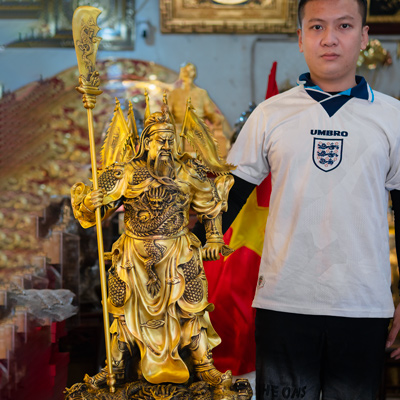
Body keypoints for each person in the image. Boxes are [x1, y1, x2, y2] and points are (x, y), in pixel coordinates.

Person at [208, 0, 400, 398]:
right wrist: (175, 247)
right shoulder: (270, 114)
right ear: (300, 38)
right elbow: (226, 201)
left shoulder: (392, 117)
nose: (329, 39)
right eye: (316, 27)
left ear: (364, 36)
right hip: (283, 304)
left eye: (344, 26)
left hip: (362, 306)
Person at [70, 105, 234, 389]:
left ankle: (204, 365)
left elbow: (210, 205)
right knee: (122, 309)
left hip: (179, 250)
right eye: (161, 140)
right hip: (134, 254)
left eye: (171, 140)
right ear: (147, 142)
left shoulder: (187, 170)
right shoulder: (125, 172)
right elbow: (98, 210)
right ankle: (114, 366)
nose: (167, 146)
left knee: (193, 307)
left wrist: (215, 238)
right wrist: (89, 203)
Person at [168, 62, 230, 157]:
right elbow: (167, 112)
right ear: (181, 73)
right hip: (178, 128)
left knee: (203, 135)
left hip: (197, 127)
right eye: (185, 71)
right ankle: (179, 159)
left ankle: (201, 161)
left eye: (190, 71)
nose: (188, 73)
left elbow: (210, 112)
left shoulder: (201, 93)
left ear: (194, 73)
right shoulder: (174, 93)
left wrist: (217, 119)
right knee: (175, 136)